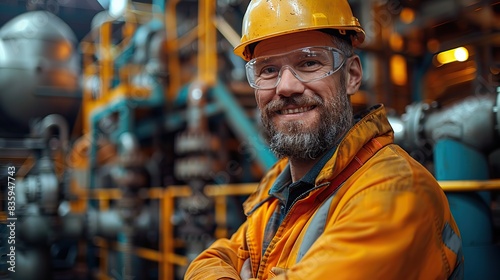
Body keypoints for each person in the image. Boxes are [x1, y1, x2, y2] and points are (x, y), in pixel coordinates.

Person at [185, 0, 463, 279]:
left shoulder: (396, 190)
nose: (286, 87)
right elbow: (210, 259)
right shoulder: (279, 184)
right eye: (268, 70)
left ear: (352, 75)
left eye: (309, 62)